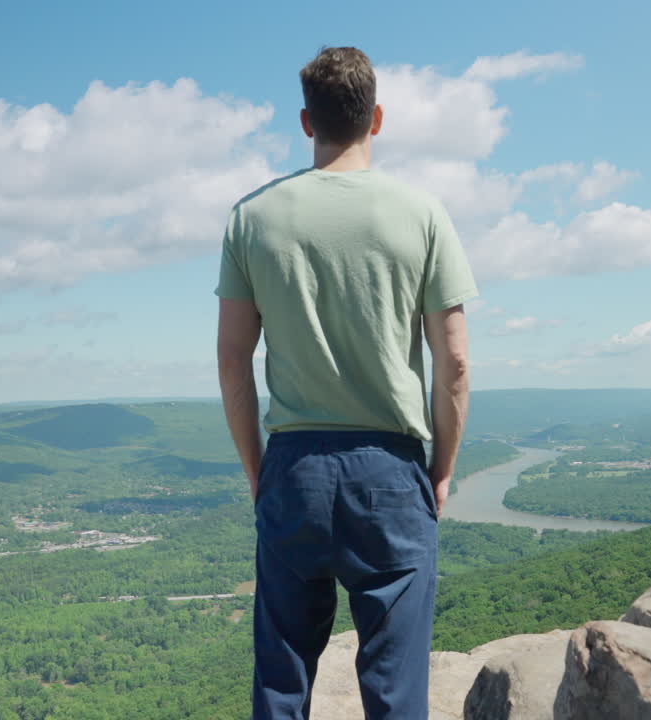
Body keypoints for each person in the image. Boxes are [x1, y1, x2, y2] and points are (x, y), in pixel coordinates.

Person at [215, 46, 477, 719]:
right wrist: (442, 470)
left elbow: (233, 359)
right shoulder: (423, 214)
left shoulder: (251, 218)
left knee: (281, 682)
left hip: (293, 467)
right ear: (376, 118)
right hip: (390, 471)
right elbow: (453, 362)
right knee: (395, 690)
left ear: (307, 122)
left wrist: (258, 470)